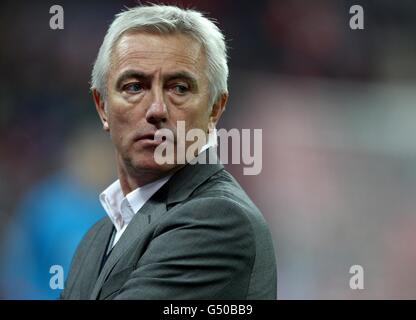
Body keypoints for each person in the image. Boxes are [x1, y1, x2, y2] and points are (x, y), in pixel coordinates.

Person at [61, 4, 277, 300]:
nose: (157, 110)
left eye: (179, 88)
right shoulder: (96, 239)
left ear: (215, 108)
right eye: (135, 86)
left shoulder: (218, 220)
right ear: (102, 107)